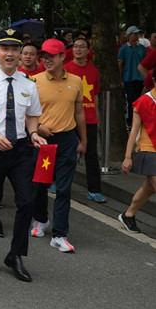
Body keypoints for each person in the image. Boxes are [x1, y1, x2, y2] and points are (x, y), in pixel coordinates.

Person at [0, 28, 46, 282]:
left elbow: (33, 114)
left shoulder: (29, 83)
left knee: (27, 200)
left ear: (21, 53)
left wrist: (34, 132)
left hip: (21, 149)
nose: (10, 54)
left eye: (15, 49)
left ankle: (15, 254)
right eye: (5, 49)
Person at [29, 39, 86, 252]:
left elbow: (79, 112)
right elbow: (28, 113)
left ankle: (60, 234)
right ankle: (40, 219)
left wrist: (84, 140)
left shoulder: (76, 81)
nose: (46, 60)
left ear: (63, 56)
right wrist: (38, 127)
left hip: (67, 140)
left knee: (64, 189)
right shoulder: (33, 81)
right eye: (44, 56)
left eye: (52, 56)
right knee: (39, 185)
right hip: (43, 141)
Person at [64, 36, 104, 203]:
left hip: (89, 119)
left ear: (88, 50)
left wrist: (97, 117)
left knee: (92, 154)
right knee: (66, 154)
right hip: (69, 119)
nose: (78, 49)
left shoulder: (94, 71)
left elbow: (95, 96)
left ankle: (94, 190)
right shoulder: (65, 68)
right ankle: (59, 183)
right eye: (75, 46)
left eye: (81, 47)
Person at [119, 86, 156, 233]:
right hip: (149, 150)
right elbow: (134, 131)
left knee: (148, 189)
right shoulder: (143, 101)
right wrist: (128, 157)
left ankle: (128, 215)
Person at [118, 25, 147, 129]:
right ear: (129, 36)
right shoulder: (123, 49)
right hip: (129, 79)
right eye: (134, 34)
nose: (136, 36)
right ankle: (130, 121)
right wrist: (121, 79)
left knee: (142, 100)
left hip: (141, 79)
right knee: (132, 100)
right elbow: (120, 64)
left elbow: (146, 63)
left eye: (137, 34)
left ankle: (141, 121)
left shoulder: (142, 48)